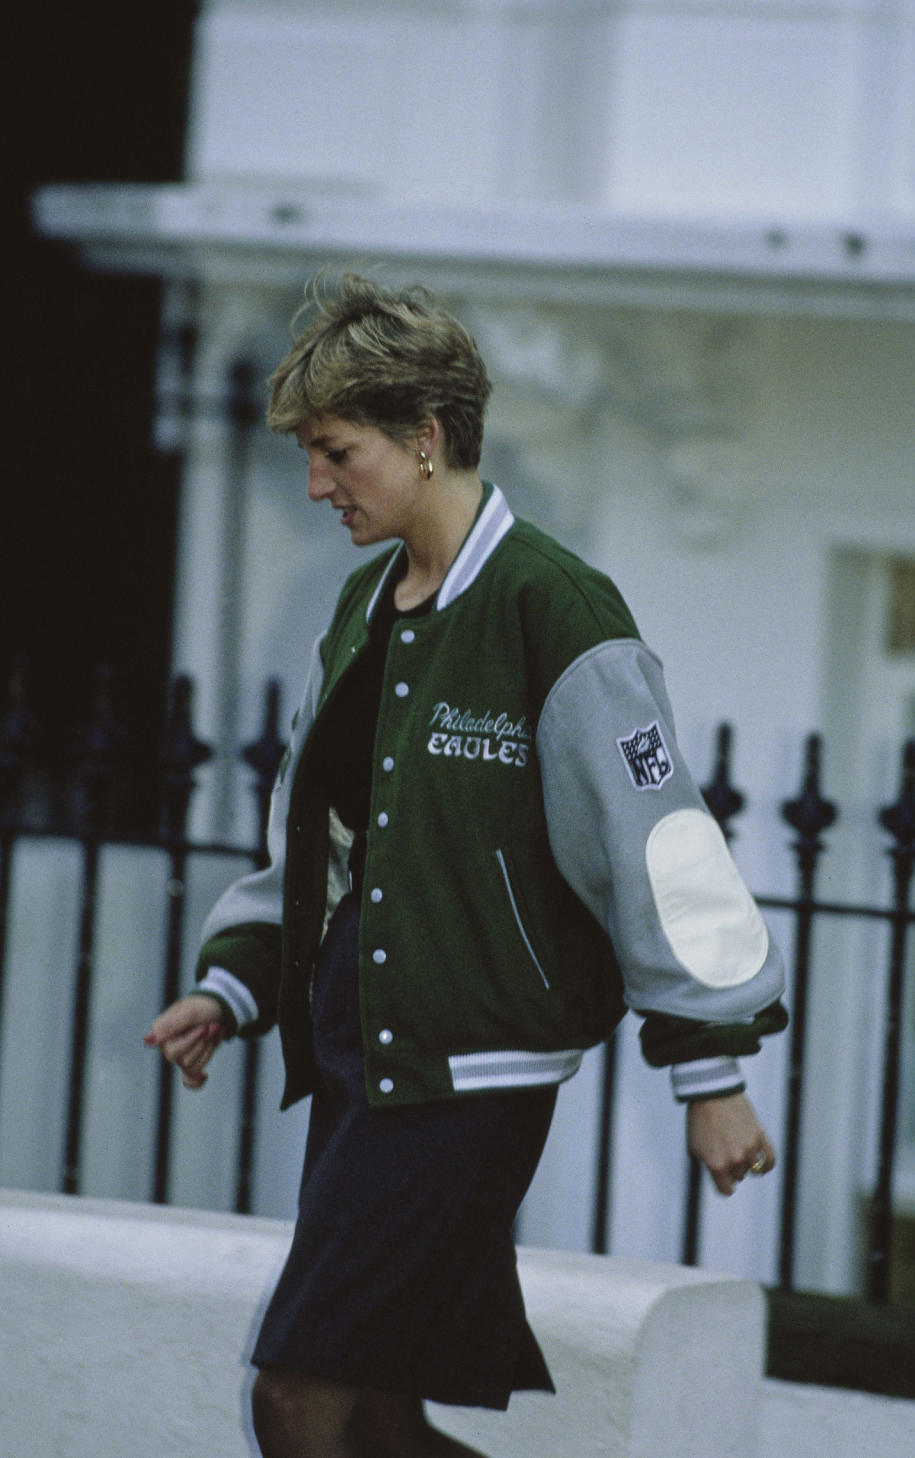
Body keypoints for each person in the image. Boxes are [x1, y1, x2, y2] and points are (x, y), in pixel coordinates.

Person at [145, 274, 787, 1458]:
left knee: (295, 1397)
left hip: (463, 1092)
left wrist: (713, 1071)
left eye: (337, 452)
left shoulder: (558, 608)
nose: (314, 484)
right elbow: (318, 833)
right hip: (362, 1065)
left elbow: (663, 839)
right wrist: (233, 983)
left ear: (425, 437)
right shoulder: (364, 604)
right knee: (383, 1417)